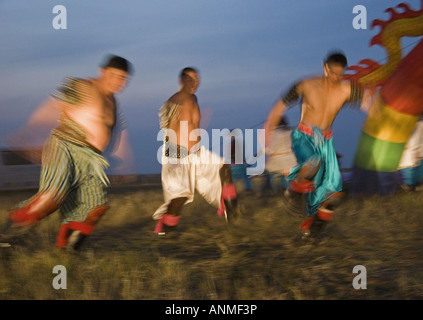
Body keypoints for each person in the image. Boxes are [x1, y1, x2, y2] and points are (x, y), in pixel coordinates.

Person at [3, 55, 134, 250]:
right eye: (115, 76)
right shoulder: (83, 86)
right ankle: (7, 235)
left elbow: (113, 132)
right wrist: (28, 131)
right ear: (103, 72)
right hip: (66, 145)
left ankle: (66, 252)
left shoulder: (113, 102)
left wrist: (125, 161)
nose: (119, 82)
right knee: (53, 196)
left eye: (123, 79)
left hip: (91, 158)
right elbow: (53, 106)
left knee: (94, 208)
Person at [264, 51, 366, 241]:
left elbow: (369, 102)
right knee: (314, 161)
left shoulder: (346, 90)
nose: (335, 77)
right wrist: (268, 129)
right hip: (304, 136)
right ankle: (294, 191)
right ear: (324, 67)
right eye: (332, 72)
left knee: (336, 193)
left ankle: (312, 231)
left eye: (340, 73)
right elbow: (279, 108)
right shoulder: (306, 85)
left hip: (325, 141)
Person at [153, 67, 240, 236]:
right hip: (177, 153)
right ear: (182, 80)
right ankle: (166, 228)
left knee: (223, 167)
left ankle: (232, 211)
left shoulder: (194, 98)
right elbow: (165, 124)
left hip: (197, 152)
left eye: (197, 79)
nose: (196, 82)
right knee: (180, 196)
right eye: (191, 79)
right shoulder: (174, 100)